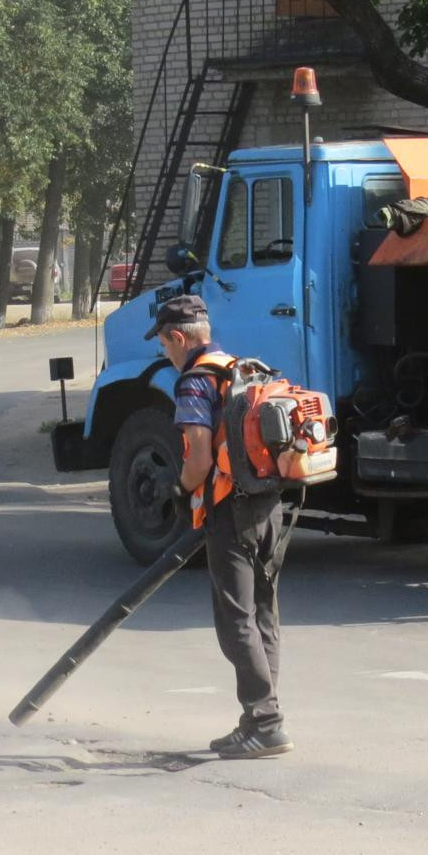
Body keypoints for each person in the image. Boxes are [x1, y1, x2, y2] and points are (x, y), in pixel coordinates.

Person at [150, 294, 294, 760]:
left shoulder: (194, 382)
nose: (165, 356)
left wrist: (178, 490)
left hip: (230, 511)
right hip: (270, 506)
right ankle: (258, 720)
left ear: (177, 337)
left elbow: (199, 456)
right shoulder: (241, 368)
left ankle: (267, 723)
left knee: (235, 620)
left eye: (163, 346)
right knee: (263, 613)